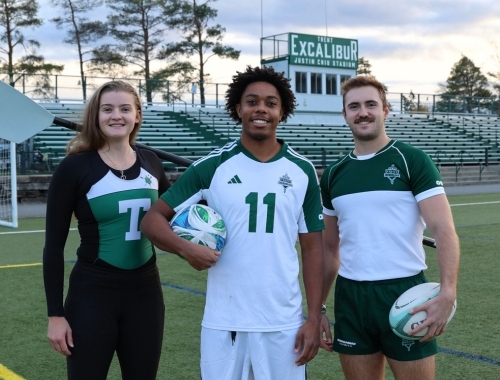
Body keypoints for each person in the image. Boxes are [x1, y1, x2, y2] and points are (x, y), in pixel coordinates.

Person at [141, 65, 325, 380]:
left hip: (283, 321)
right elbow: (152, 221)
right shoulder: (211, 167)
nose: (261, 109)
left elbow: (313, 249)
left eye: (271, 103)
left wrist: (315, 315)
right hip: (224, 319)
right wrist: (186, 249)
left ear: (282, 112)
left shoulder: (302, 170)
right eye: (252, 101)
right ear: (238, 108)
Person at [319, 75, 460, 380]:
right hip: (351, 297)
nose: (363, 112)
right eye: (354, 106)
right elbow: (330, 248)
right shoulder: (332, 175)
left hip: (406, 292)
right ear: (345, 115)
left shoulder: (412, 161)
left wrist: (448, 292)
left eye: (371, 104)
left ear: (385, 110)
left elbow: (444, 230)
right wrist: (318, 308)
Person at [43, 80, 171, 380]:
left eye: (125, 109)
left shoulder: (151, 162)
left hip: (146, 294)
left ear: (137, 115)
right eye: (107, 109)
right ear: (95, 116)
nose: (117, 116)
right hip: (92, 294)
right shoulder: (74, 167)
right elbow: (53, 246)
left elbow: (174, 214)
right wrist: (55, 315)